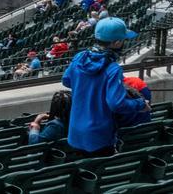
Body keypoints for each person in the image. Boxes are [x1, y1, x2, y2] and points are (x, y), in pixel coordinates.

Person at [61, 17, 150, 157]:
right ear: (117, 42)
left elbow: (66, 80)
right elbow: (116, 104)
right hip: (99, 137)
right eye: (123, 40)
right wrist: (141, 104)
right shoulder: (113, 69)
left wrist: (89, 87)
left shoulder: (79, 57)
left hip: (75, 132)